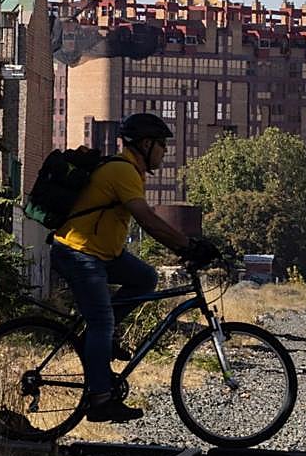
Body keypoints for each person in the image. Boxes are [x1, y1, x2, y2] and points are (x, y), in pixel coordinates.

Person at [50, 113, 215, 424]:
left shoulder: (130, 171)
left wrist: (184, 246)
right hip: (79, 252)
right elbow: (148, 220)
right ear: (145, 144)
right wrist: (187, 246)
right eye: (162, 145)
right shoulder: (122, 171)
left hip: (102, 254)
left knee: (145, 278)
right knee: (101, 323)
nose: (165, 152)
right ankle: (99, 399)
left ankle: (100, 341)